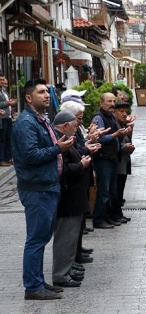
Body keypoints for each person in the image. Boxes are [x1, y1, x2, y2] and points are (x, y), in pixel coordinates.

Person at [12, 78, 74, 300]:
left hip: (48, 186)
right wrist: (58, 148)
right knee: (36, 240)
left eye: (47, 92)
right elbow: (30, 156)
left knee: (41, 238)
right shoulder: (26, 123)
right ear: (29, 98)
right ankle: (32, 287)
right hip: (37, 188)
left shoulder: (41, 119)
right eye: (41, 92)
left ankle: (38, 281)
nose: (47, 95)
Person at [51, 110, 93, 288]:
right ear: (65, 125)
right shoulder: (60, 141)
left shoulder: (67, 139)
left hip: (74, 196)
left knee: (71, 237)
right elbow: (64, 169)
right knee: (65, 238)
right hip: (68, 198)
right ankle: (61, 274)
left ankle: (66, 269)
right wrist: (81, 164)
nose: (76, 129)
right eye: (74, 126)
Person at [91, 93, 130, 229]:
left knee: (111, 191)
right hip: (103, 159)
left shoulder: (110, 117)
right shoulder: (98, 118)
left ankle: (108, 217)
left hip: (112, 158)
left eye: (113, 101)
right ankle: (98, 219)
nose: (112, 104)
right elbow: (98, 138)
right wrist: (115, 135)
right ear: (101, 103)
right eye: (109, 101)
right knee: (104, 191)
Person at [110, 101, 135, 222]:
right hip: (117, 162)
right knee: (116, 189)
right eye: (121, 111)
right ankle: (115, 214)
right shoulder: (114, 125)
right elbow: (115, 144)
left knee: (120, 188)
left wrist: (130, 129)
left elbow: (127, 139)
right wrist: (126, 147)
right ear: (114, 112)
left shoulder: (122, 124)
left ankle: (118, 213)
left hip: (124, 162)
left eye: (126, 111)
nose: (124, 114)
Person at [0, 72, 16, 166]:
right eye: (1, 80)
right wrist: (8, 103)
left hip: (8, 116)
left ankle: (8, 157)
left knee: (9, 138)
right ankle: (2, 159)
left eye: (3, 79)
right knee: (2, 139)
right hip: (2, 118)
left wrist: (11, 105)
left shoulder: (4, 90)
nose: (3, 81)